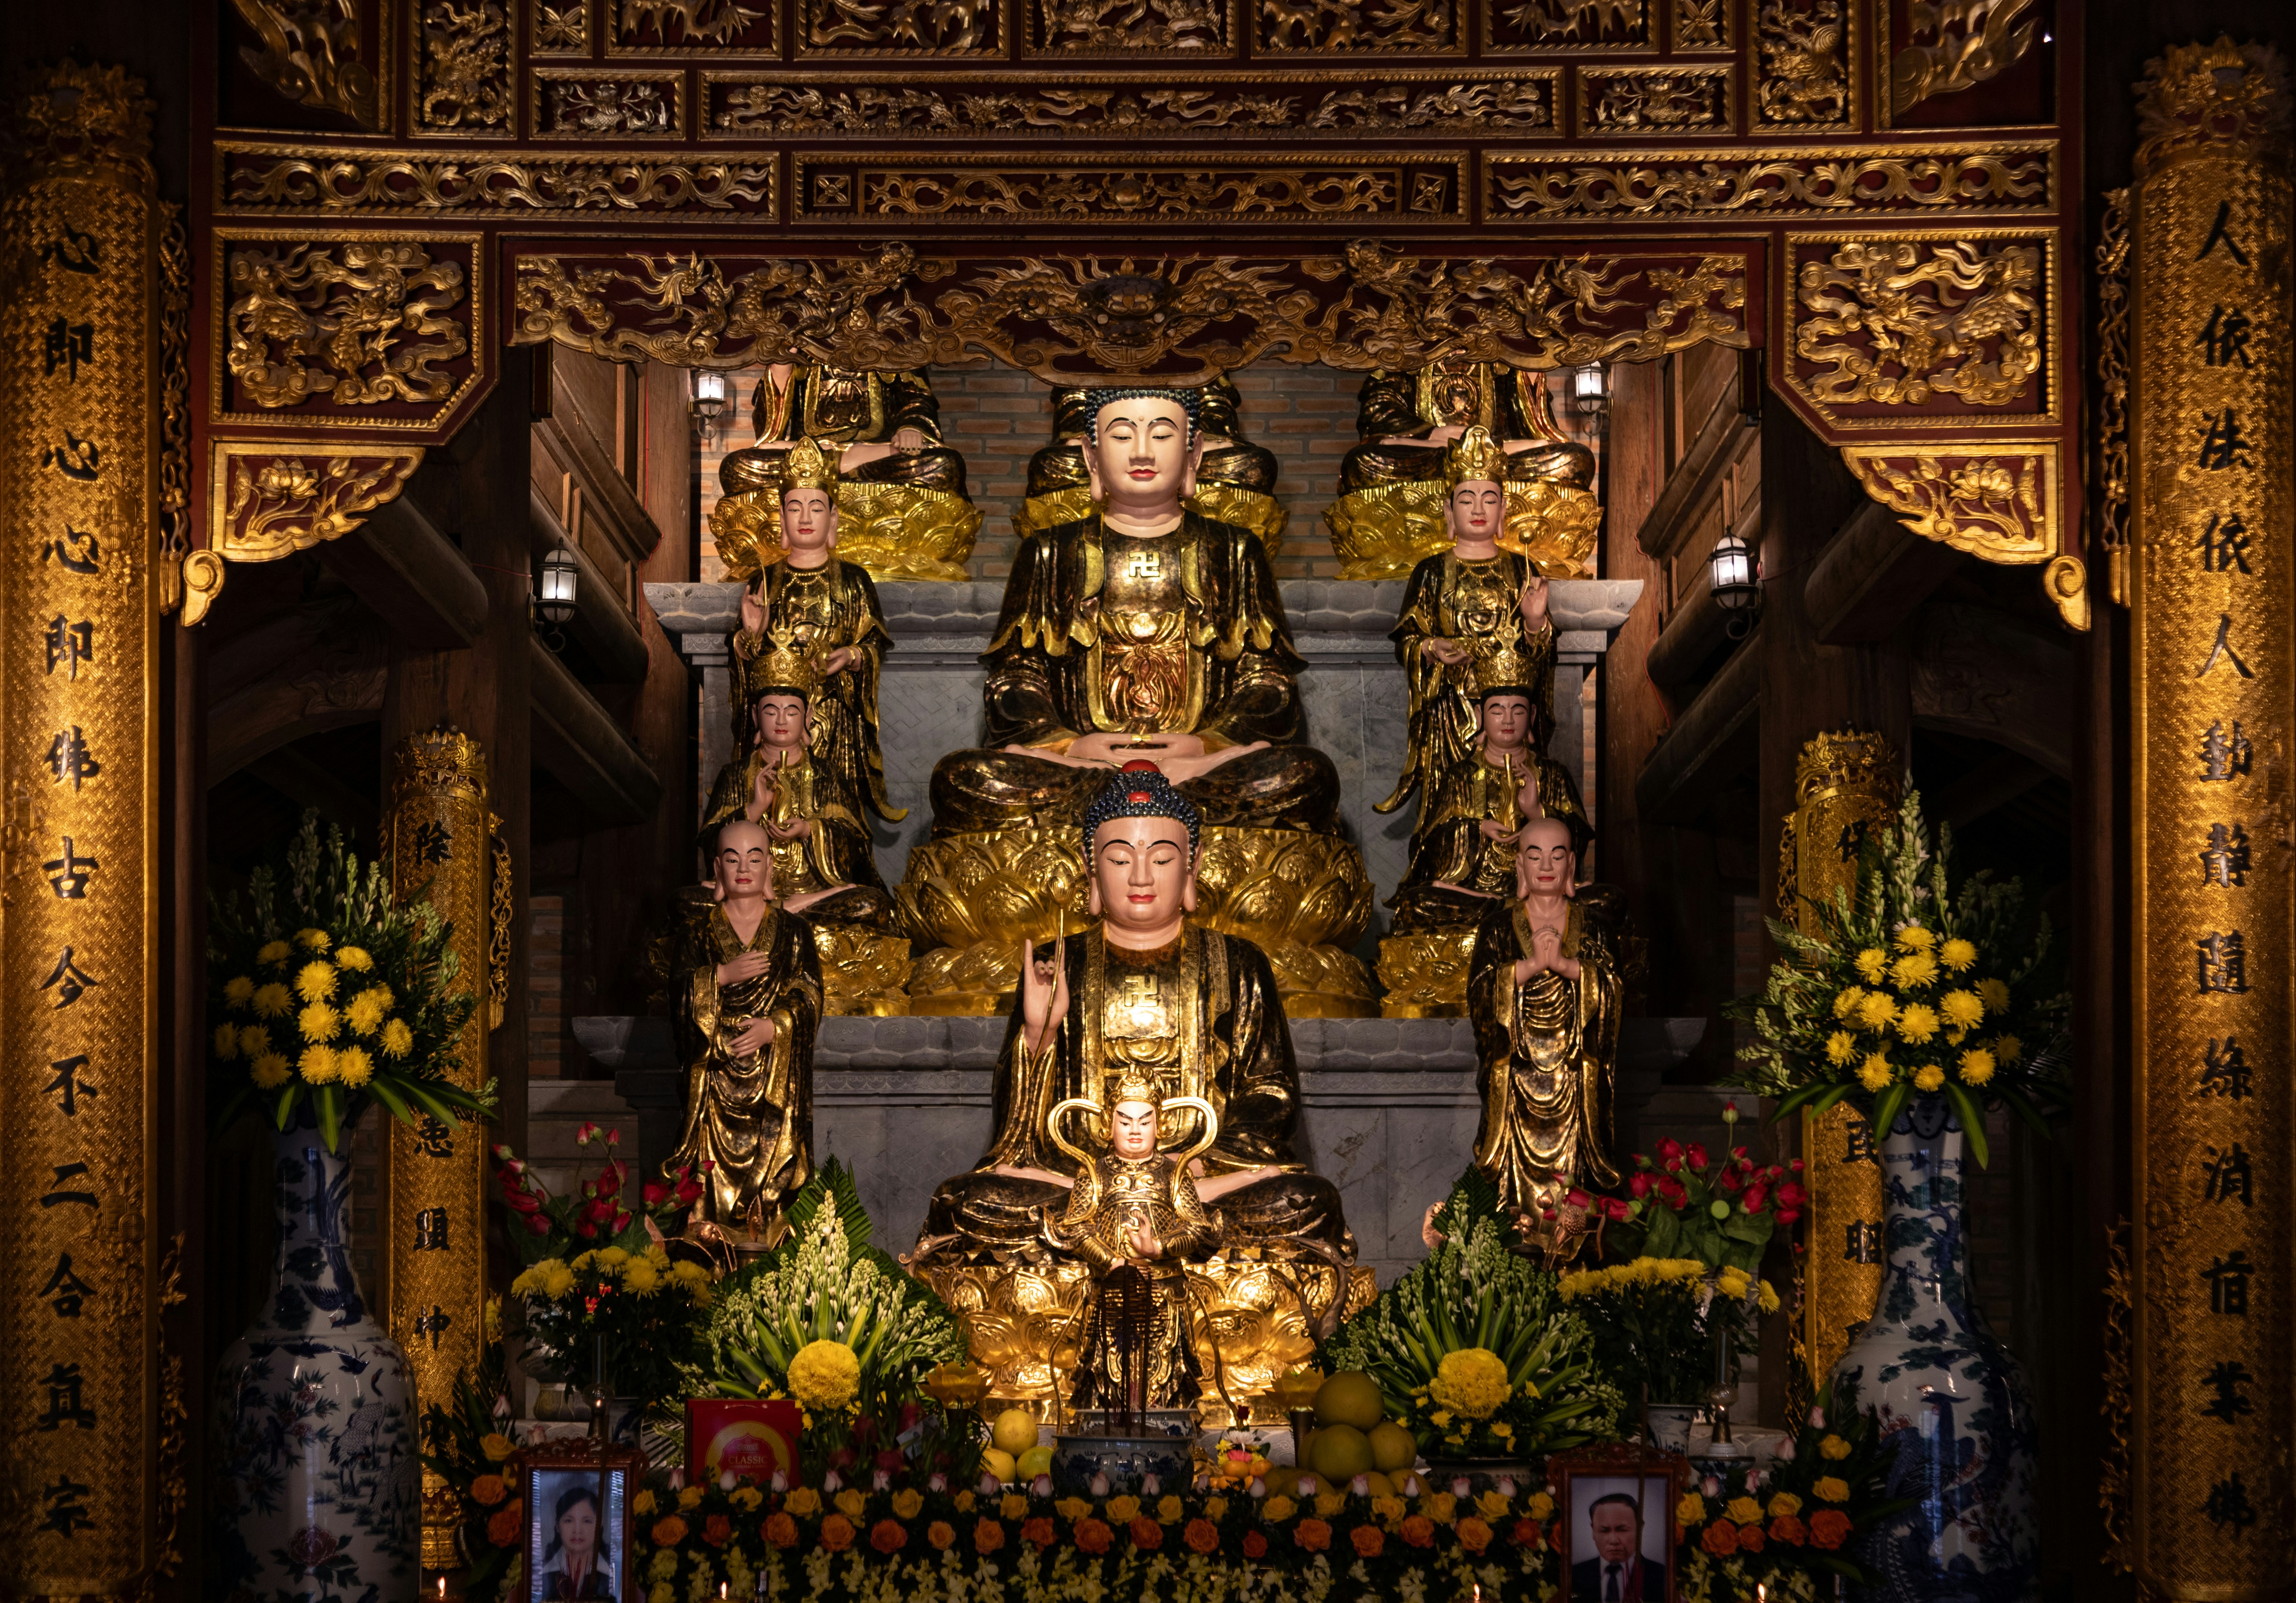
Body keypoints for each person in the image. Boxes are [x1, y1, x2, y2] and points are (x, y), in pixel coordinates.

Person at [914, 767, 1353, 1260]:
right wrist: (1040, 1032)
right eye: (1120, 858)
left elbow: (1272, 1097)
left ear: (1193, 864)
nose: (1141, 877)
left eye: (1162, 858)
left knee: (1305, 1203)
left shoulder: (1239, 962)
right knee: (964, 1203)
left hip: (1200, 1182)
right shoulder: (1059, 964)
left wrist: (1190, 1167)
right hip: (1080, 1187)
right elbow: (1018, 1139)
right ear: (1090, 867)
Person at [924, 388, 1342, 838]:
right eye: (1122, 436)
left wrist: (1206, 745)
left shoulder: (1236, 549)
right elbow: (1016, 679)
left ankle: (1136, 814)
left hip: (1200, 768)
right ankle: (1141, 812)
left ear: (1194, 453)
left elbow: (1268, 681)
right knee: (959, 778)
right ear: (1090, 455)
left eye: (1162, 435)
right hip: (1083, 767)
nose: (1142, 452)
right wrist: (1070, 744)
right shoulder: (1048, 550)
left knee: (1307, 774)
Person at [992, 1076, 1277, 1411]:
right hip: (1109, 1294)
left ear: (1161, 1124)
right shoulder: (1093, 1173)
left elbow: (1196, 1227)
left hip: (1165, 1293)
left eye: (1145, 1121)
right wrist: (1112, 1262)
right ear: (1107, 1125)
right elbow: (1078, 1228)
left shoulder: (1175, 1173)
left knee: (1165, 1381)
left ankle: (1169, 1444)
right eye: (1124, 1121)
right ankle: (1099, 1450)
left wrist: (1157, 1248)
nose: (1135, 1130)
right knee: (1106, 1383)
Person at [1378, 425, 1562, 821]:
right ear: (1449, 511)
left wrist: (1534, 623)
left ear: (1503, 512)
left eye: (1489, 498)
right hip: (1450, 708)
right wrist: (1430, 648)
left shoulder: (1521, 568)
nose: (1478, 509)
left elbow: (1543, 656)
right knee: (1456, 810)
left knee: (1511, 801)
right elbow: (1407, 638)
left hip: (1511, 709)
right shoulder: (1430, 571)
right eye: (1467, 498)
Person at [1465, 817, 1627, 1237]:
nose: (1546, 864)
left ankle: (1576, 1241)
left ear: (1572, 865)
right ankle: (1513, 1237)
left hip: (1574, 1077)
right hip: (1517, 1077)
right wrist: (1532, 966)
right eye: (1534, 854)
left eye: (1558, 854)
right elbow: (1480, 994)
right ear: (1520, 866)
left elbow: (1613, 989)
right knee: (1510, 1201)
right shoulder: (1498, 928)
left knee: (1574, 1187)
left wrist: (1570, 968)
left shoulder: (1595, 926)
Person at [666, 819, 823, 1242]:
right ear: (717, 869)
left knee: (774, 1176)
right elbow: (678, 992)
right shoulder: (697, 933)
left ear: (770, 867)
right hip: (716, 1078)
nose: (743, 868)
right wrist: (717, 975)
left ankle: (770, 1243)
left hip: (773, 1077)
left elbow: (809, 992)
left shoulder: (793, 932)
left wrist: (776, 1026)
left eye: (755, 857)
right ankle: (707, 1248)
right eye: (732, 858)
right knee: (706, 1179)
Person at [1570, 1490, 1664, 1601]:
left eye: (1622, 1530)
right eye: (1604, 1531)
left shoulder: (1662, 1577)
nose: (1614, 1541)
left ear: (1640, 1529)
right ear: (1593, 1531)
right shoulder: (1573, 1576)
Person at [536, 1482, 616, 1600]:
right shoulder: (544, 1572)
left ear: (599, 1524)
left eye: (587, 1521)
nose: (578, 1530)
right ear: (558, 1525)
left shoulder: (613, 1573)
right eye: (569, 1521)